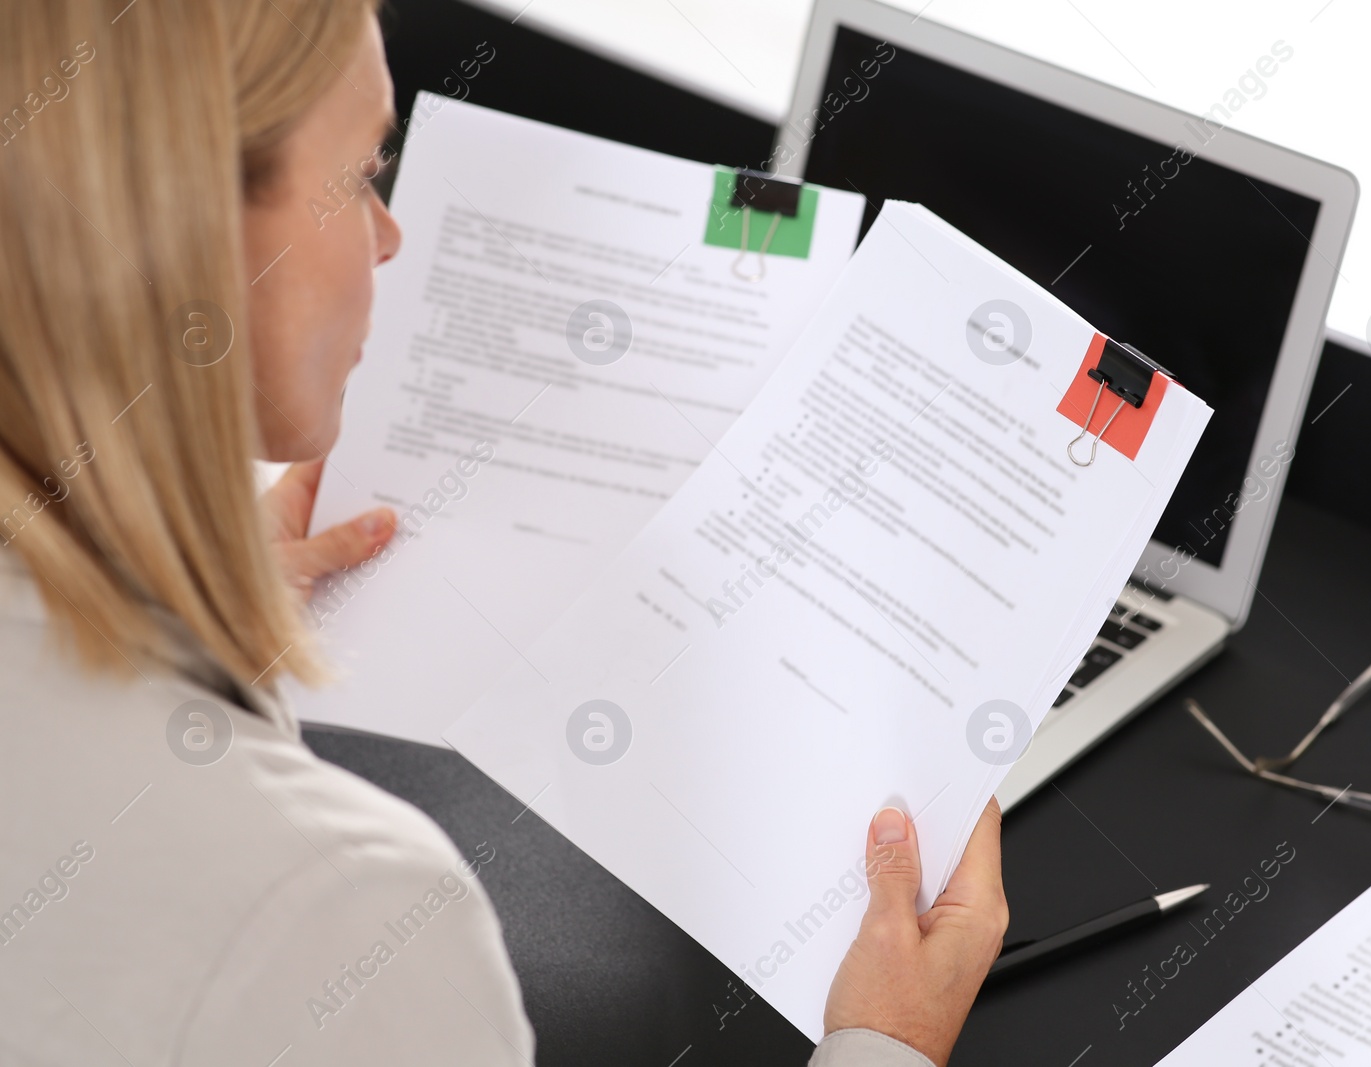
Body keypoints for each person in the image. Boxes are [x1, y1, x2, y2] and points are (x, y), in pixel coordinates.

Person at [0, 2, 1009, 1065]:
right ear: (182, 231)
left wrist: (186, 618)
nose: (389, 238)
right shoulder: (341, 909)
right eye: (359, 177)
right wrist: (885, 1044)